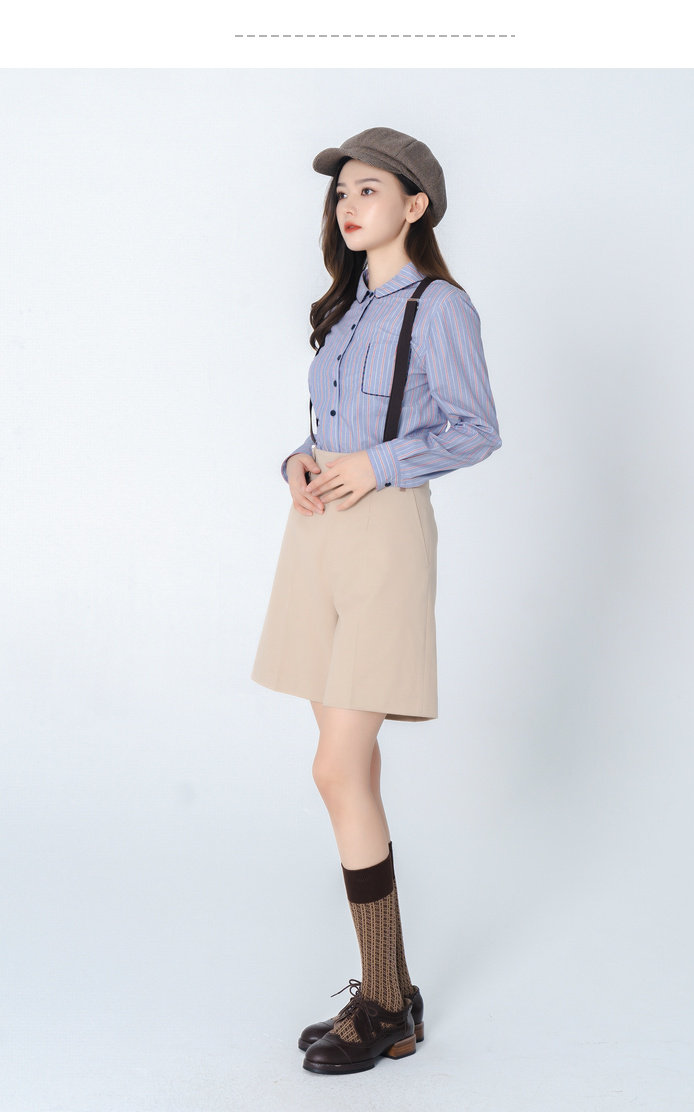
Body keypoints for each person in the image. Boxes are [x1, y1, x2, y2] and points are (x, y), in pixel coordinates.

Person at [252, 127, 501, 1075]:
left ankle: (386, 1003)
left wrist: (376, 464)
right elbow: (327, 425)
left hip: (386, 536)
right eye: (342, 193)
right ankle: (391, 996)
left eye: (368, 190)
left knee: (335, 766)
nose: (349, 205)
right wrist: (298, 462)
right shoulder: (348, 307)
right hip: (315, 534)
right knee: (351, 771)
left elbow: (475, 428)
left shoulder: (439, 306)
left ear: (415, 205)